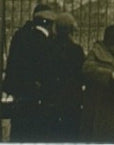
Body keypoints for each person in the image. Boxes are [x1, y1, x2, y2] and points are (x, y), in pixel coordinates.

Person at [3, 2, 56, 140]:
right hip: (37, 97)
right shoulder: (45, 42)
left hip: (20, 94)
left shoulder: (20, 35)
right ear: (49, 23)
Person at [81, 23, 114, 141]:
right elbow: (88, 69)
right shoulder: (96, 53)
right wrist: (109, 75)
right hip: (102, 109)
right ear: (111, 42)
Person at [41, 11, 85, 140]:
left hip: (51, 96)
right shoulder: (76, 50)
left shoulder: (48, 47)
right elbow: (81, 74)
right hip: (71, 98)